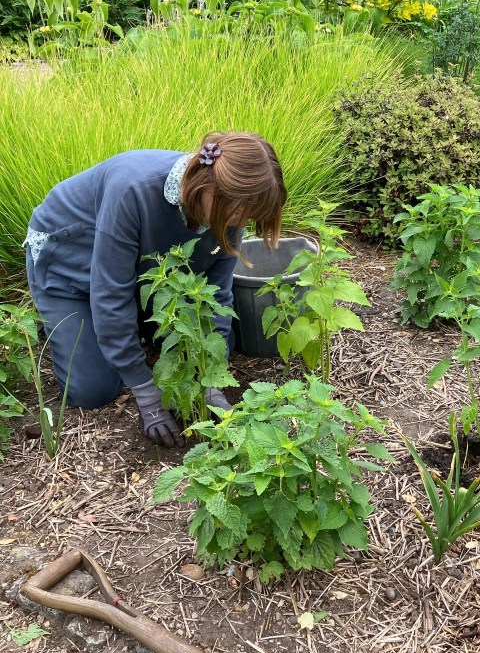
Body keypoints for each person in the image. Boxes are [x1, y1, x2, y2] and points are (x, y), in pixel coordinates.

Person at [24, 131, 287, 448]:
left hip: (139, 268)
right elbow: (110, 294)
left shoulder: (230, 207)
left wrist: (210, 374)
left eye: (249, 215)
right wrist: (145, 390)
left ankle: (129, 325)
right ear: (206, 188)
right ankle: (63, 316)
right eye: (237, 212)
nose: (240, 221)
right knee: (93, 389)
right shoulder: (132, 191)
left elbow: (217, 293)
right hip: (70, 265)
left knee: (221, 340)